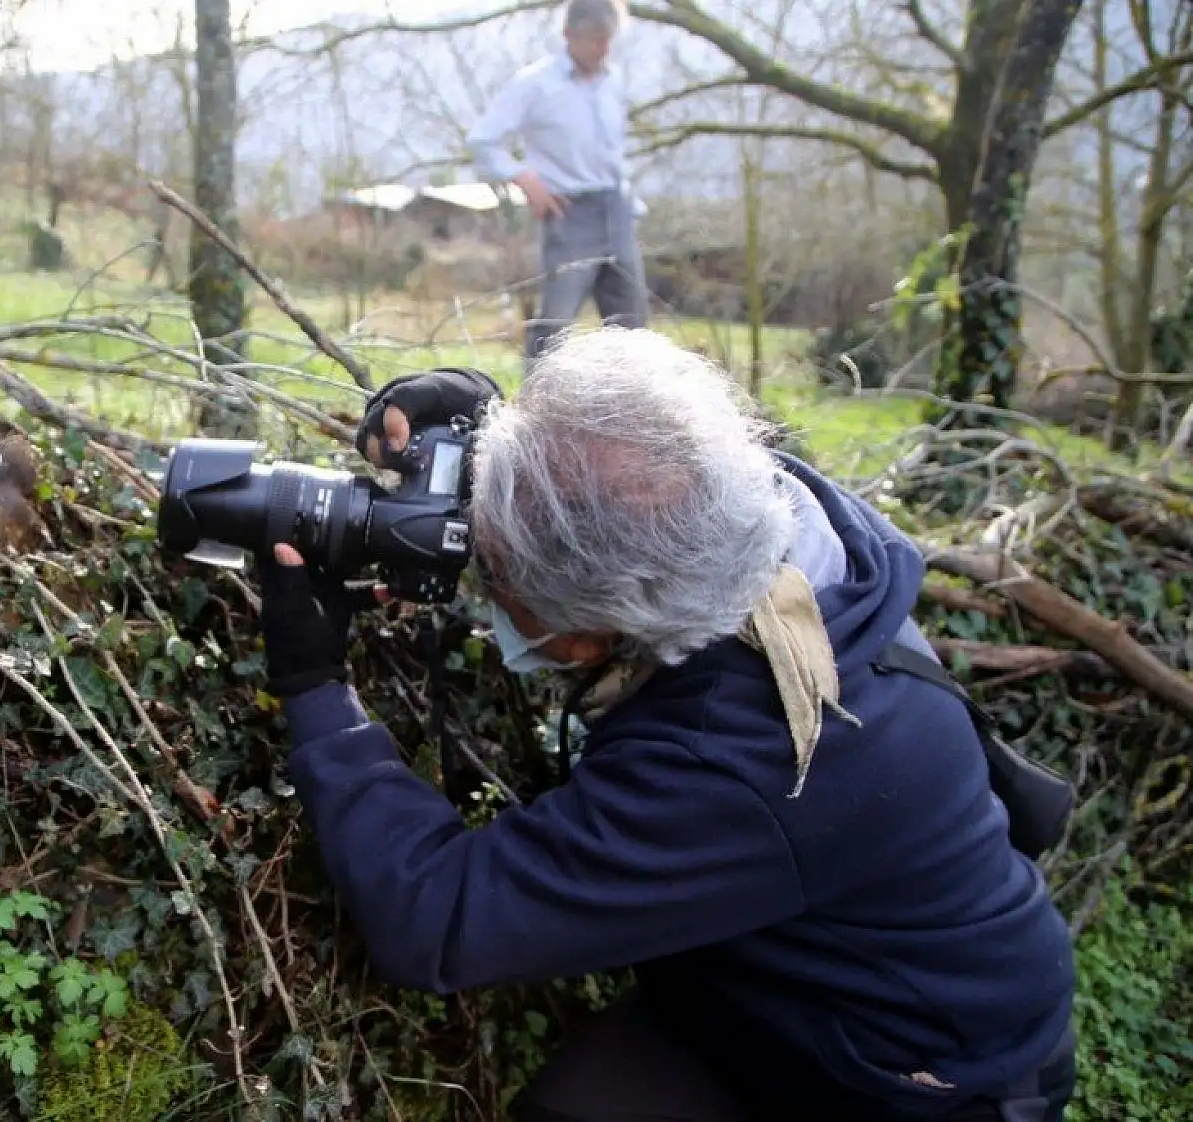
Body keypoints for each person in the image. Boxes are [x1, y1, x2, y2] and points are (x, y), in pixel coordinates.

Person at [252, 327, 1078, 1122]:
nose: (482, 575)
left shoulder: (739, 757)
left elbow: (437, 917)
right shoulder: (764, 513)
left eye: (493, 570)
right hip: (800, 974)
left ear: (595, 628)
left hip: (922, 1077)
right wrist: (507, 440)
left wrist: (318, 687)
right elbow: (625, 479)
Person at [467, 0, 651, 369]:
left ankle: (634, 417)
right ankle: (534, 413)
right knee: (556, 326)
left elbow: (611, 154)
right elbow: (483, 140)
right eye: (595, 40)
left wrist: (630, 205)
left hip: (616, 208)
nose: (603, 49)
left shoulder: (613, 81)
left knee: (634, 328)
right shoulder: (535, 83)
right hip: (569, 213)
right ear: (569, 35)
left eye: (608, 39)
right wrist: (523, 177)